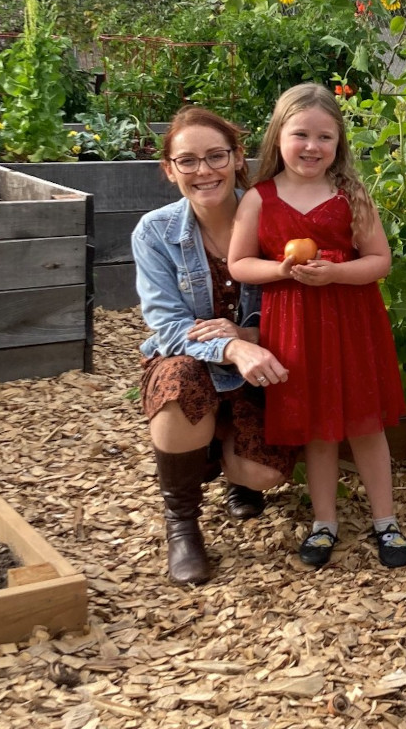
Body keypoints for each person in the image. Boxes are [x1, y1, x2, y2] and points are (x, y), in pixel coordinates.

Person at [228, 83, 406, 569]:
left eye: (325, 137)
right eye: (301, 134)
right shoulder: (260, 199)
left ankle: (386, 521)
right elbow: (240, 263)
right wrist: (281, 271)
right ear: (278, 137)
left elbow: (379, 261)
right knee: (319, 430)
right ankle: (324, 522)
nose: (312, 146)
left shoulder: (350, 193)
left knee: (366, 425)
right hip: (295, 329)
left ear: (339, 143)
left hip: (351, 324)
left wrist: (335, 273)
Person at [133, 106, 302, 585]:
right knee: (178, 379)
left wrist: (250, 336)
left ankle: (224, 464)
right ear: (170, 170)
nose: (203, 171)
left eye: (215, 156)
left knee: (264, 478)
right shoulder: (155, 232)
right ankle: (182, 524)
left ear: (237, 157)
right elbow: (168, 327)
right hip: (195, 362)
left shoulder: (275, 218)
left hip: (261, 366)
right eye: (187, 161)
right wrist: (232, 350)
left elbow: (304, 309)